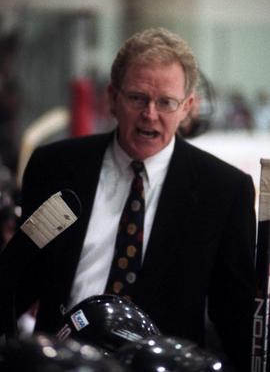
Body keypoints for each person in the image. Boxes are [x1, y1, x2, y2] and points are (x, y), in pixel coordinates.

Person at [0, 28, 256, 372]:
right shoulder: (55, 167)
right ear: (112, 97)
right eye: (137, 98)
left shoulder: (224, 190)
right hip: (62, 363)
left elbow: (234, 315)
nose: (150, 114)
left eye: (165, 102)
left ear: (187, 107)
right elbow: (19, 280)